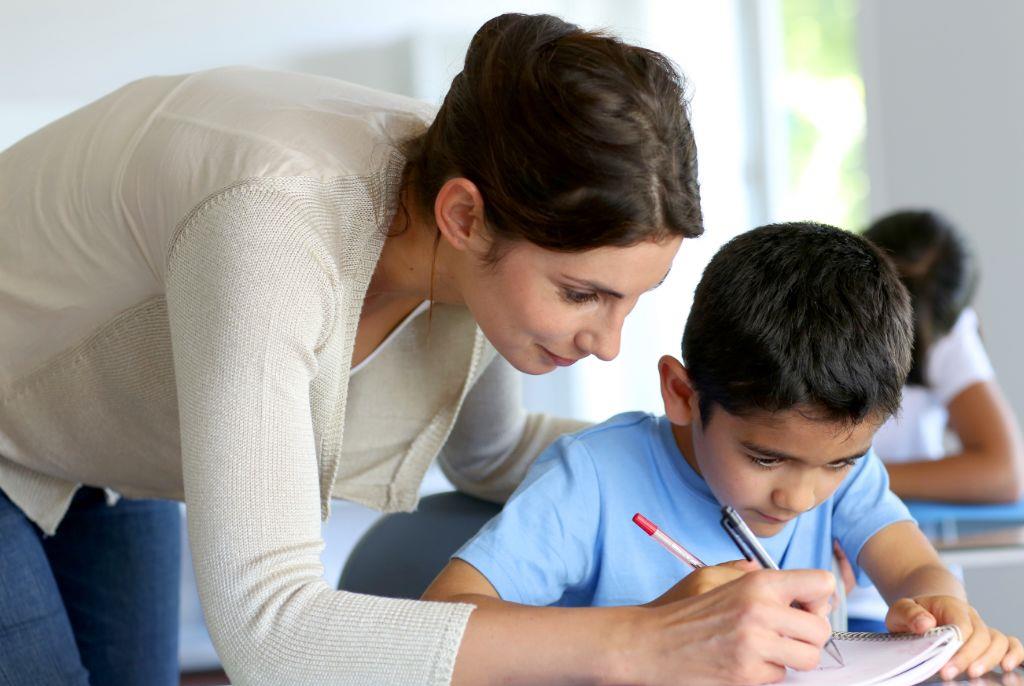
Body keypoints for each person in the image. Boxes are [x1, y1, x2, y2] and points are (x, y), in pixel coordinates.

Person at [0, 13, 838, 686]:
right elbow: (270, 634)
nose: (608, 344)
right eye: (582, 295)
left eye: (629, 302)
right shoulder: (273, 229)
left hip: (99, 448)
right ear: (464, 217)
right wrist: (643, 644)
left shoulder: (468, 223)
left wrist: (788, 475)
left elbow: (495, 455)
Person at [424, 222, 1024, 683]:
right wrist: (655, 628)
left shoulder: (845, 475)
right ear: (682, 394)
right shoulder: (593, 478)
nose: (800, 497)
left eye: (839, 462)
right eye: (765, 458)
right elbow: (439, 621)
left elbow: (914, 567)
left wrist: (944, 610)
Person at [840, 209, 1024, 631]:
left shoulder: (951, 333)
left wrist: (848, 478)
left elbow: (1003, 472)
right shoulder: (827, 316)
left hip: (899, 586)